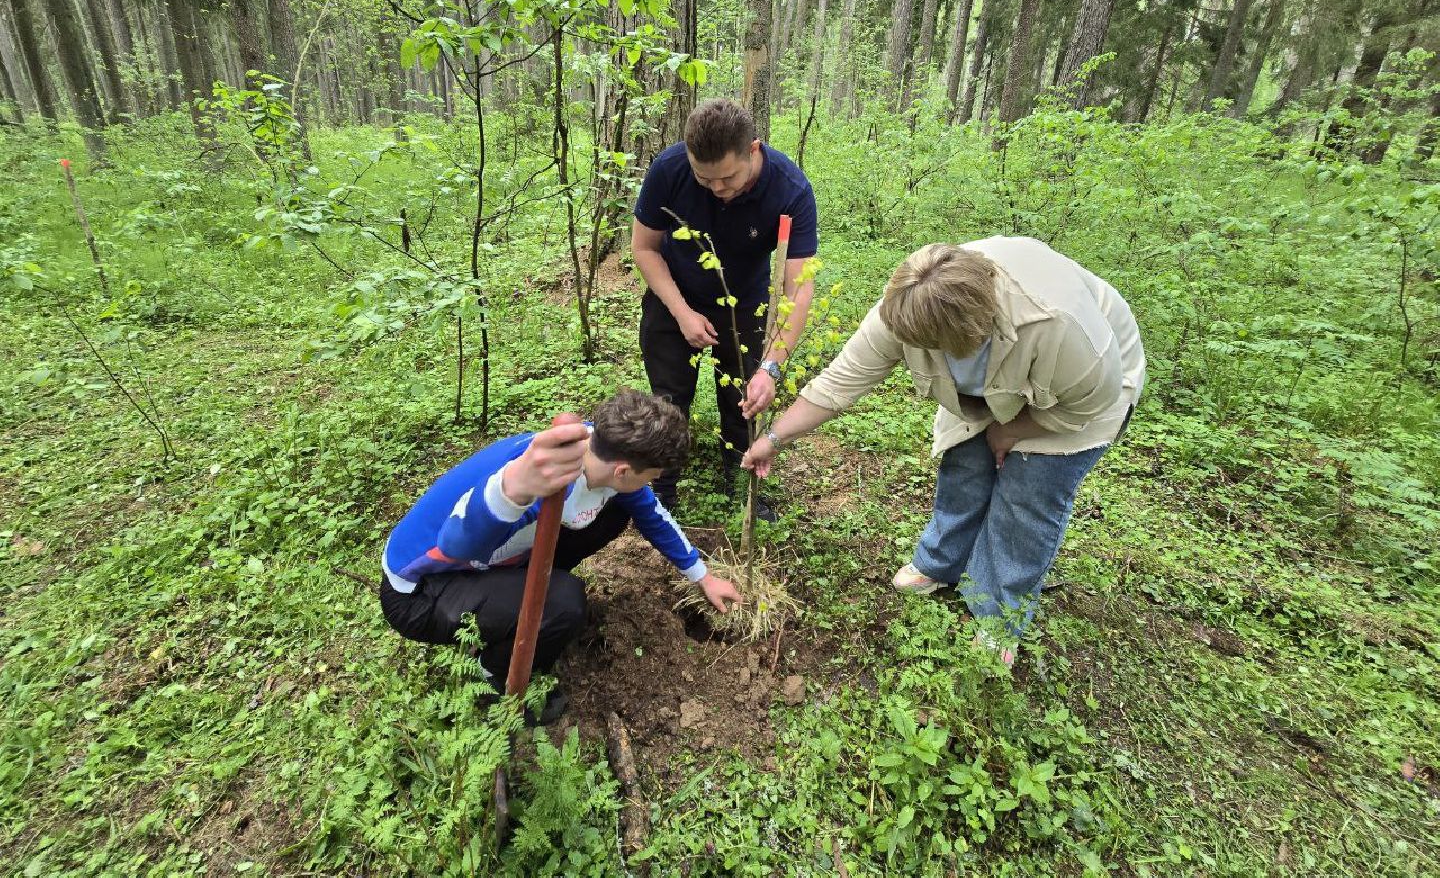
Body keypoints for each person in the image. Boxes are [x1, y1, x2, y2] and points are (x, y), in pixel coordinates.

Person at [743, 237, 1145, 665]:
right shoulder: (910, 304)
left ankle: (997, 618)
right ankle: (940, 564)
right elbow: (840, 383)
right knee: (965, 466)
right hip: (992, 389)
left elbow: (1091, 403)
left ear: (968, 334)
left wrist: (1013, 432)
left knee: (1026, 500)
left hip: (1075, 399)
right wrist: (774, 439)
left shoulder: (1058, 325)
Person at [379, 389, 743, 722]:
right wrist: (512, 490)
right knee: (566, 601)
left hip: (485, 558)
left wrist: (703, 576)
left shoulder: (598, 450)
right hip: (423, 591)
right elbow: (456, 545)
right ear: (623, 470)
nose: (649, 484)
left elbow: (652, 514)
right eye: (649, 477)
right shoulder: (544, 483)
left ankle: (515, 602)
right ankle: (494, 674)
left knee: (618, 509)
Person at [632, 98, 819, 517]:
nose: (717, 189)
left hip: (745, 304)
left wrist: (771, 366)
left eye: (728, 178)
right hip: (674, 296)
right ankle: (658, 491)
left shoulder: (790, 189)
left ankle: (739, 480)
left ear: (753, 149)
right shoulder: (669, 169)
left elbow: (798, 287)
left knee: (742, 397)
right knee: (668, 397)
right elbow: (644, 249)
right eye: (705, 178)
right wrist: (682, 312)